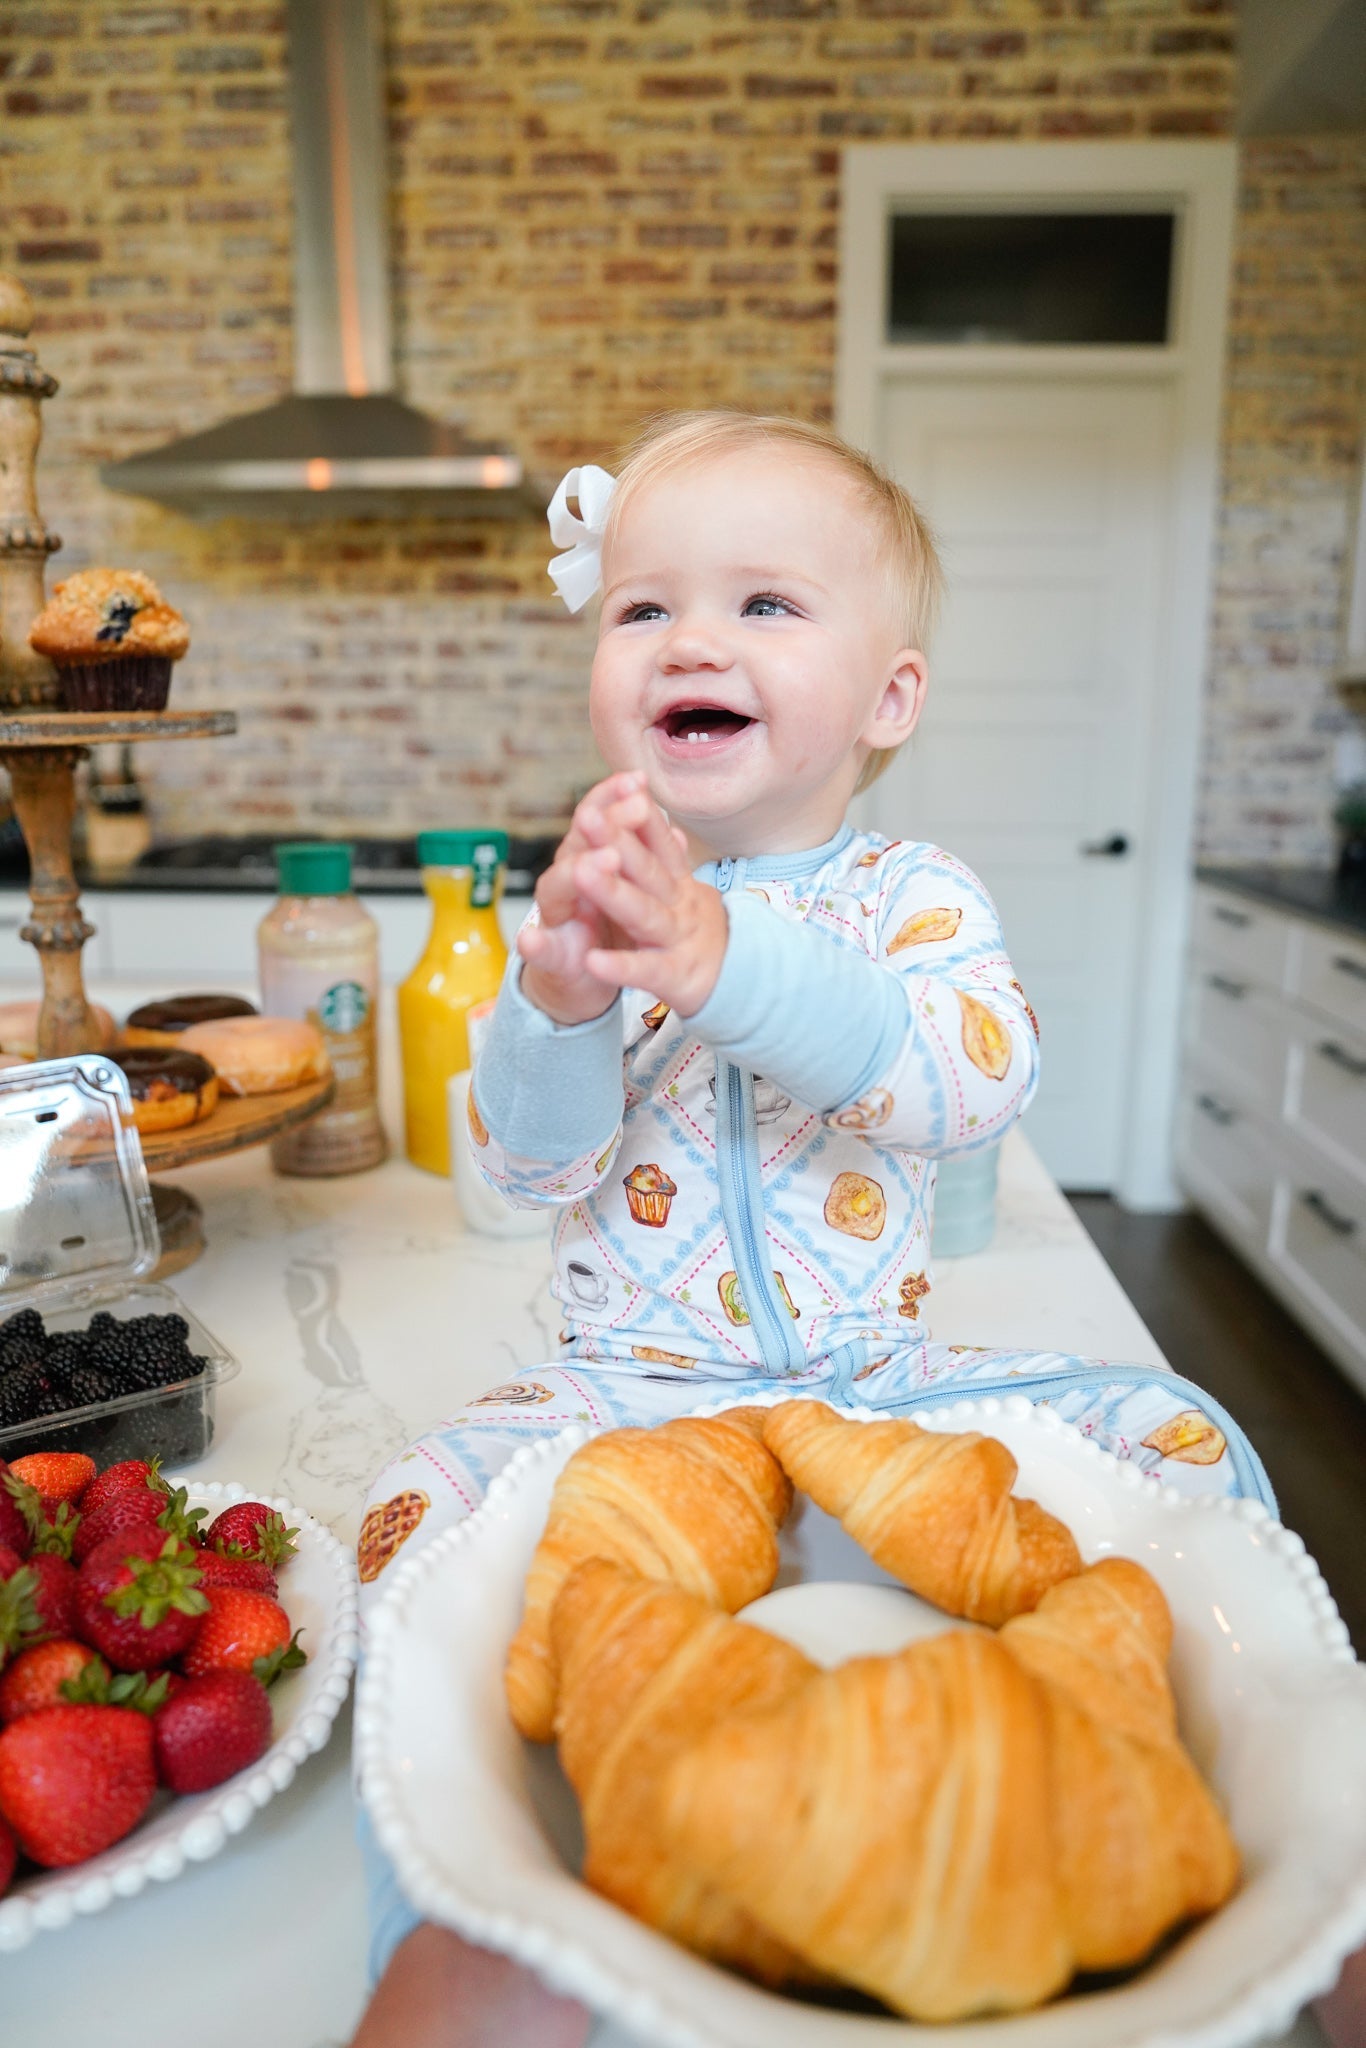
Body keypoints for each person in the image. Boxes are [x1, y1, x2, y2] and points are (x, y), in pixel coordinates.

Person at [349, 411, 1273, 2044]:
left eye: (764, 604)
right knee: (404, 1536)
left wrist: (718, 963)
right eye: (641, 608)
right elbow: (525, 1175)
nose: (689, 638)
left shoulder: (912, 897)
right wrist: (557, 1000)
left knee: (1187, 1447)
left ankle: (1284, 1866)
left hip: (876, 1383)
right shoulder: (587, 903)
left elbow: (964, 1080)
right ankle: (454, 1924)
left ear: (888, 698)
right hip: (620, 1391)